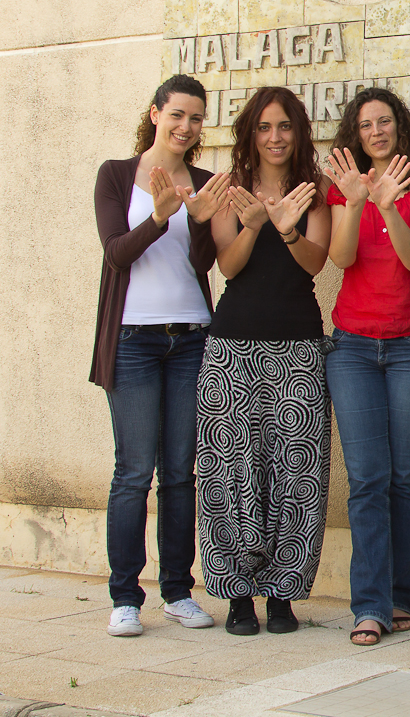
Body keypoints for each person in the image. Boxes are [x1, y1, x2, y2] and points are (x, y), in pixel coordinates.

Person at [91, 74, 229, 637]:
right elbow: (116, 254)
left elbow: (205, 265)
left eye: (196, 118)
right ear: (154, 114)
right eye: (177, 115)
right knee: (133, 472)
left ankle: (177, 590)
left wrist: (196, 219)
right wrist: (158, 214)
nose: (186, 127)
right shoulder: (118, 176)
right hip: (134, 341)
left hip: (191, 336)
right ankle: (125, 596)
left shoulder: (203, 182)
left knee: (179, 472)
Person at [196, 86, 333, 637]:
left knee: (297, 473)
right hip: (231, 348)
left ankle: (282, 595)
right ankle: (236, 596)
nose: (275, 138)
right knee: (232, 474)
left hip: (297, 346)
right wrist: (253, 222)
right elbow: (227, 267)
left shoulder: (315, 191)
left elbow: (315, 263)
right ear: (250, 134)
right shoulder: (228, 190)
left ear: (298, 132)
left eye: (285, 127)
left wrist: (286, 225)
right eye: (264, 128)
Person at [322, 87, 410, 646]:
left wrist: (389, 202)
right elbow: (339, 260)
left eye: (385, 121)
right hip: (355, 348)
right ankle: (368, 604)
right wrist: (358, 199)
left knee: (407, 479)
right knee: (368, 478)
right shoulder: (344, 190)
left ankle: (399, 595)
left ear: (400, 126)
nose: (377, 131)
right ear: (356, 135)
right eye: (365, 125)